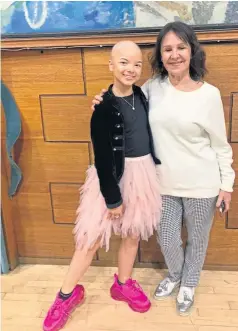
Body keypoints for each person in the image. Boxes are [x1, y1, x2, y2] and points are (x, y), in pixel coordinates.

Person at [91, 22, 235, 316]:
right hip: (162, 184)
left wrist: (227, 185)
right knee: (167, 239)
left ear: (191, 50)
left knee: (198, 239)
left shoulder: (209, 95)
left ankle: (188, 283)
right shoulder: (152, 88)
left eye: (181, 47)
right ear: (160, 55)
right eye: (167, 49)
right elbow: (123, 99)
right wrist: (102, 100)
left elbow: (221, 144)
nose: (174, 55)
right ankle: (176, 274)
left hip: (202, 184)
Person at [43, 41, 162, 331]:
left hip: (144, 173)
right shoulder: (104, 108)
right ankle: (66, 295)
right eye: (123, 62)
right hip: (113, 177)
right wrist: (112, 198)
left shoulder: (143, 95)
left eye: (136, 64)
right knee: (90, 238)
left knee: (133, 232)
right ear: (111, 65)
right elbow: (102, 156)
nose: (130, 69)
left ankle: (122, 283)